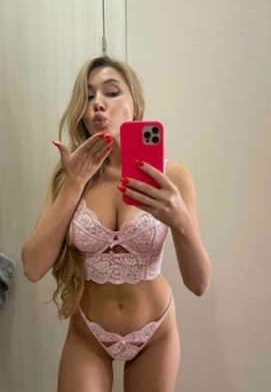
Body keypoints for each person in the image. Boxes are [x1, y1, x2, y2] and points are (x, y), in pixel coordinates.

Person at [21, 56, 212, 392]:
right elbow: (32, 267)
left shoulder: (173, 176)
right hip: (88, 333)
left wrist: (181, 222)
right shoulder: (69, 176)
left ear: (135, 103)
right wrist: (75, 183)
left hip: (155, 331)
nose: (98, 103)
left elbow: (199, 283)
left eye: (111, 92)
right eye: (88, 96)